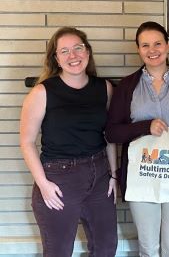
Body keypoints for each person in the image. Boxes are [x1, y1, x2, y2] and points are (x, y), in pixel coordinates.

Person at [105, 21, 169, 257]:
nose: (153, 50)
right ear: (138, 50)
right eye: (145, 45)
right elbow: (112, 133)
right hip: (142, 175)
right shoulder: (127, 87)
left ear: (168, 46)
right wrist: (144, 127)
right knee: (149, 247)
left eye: (158, 43)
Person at [19, 27, 118, 257]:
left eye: (78, 48)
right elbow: (26, 141)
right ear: (56, 58)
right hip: (60, 179)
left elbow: (109, 135)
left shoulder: (104, 88)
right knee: (59, 252)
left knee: (106, 247)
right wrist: (43, 183)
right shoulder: (42, 92)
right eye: (64, 51)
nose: (73, 56)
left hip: (100, 176)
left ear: (88, 51)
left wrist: (114, 174)